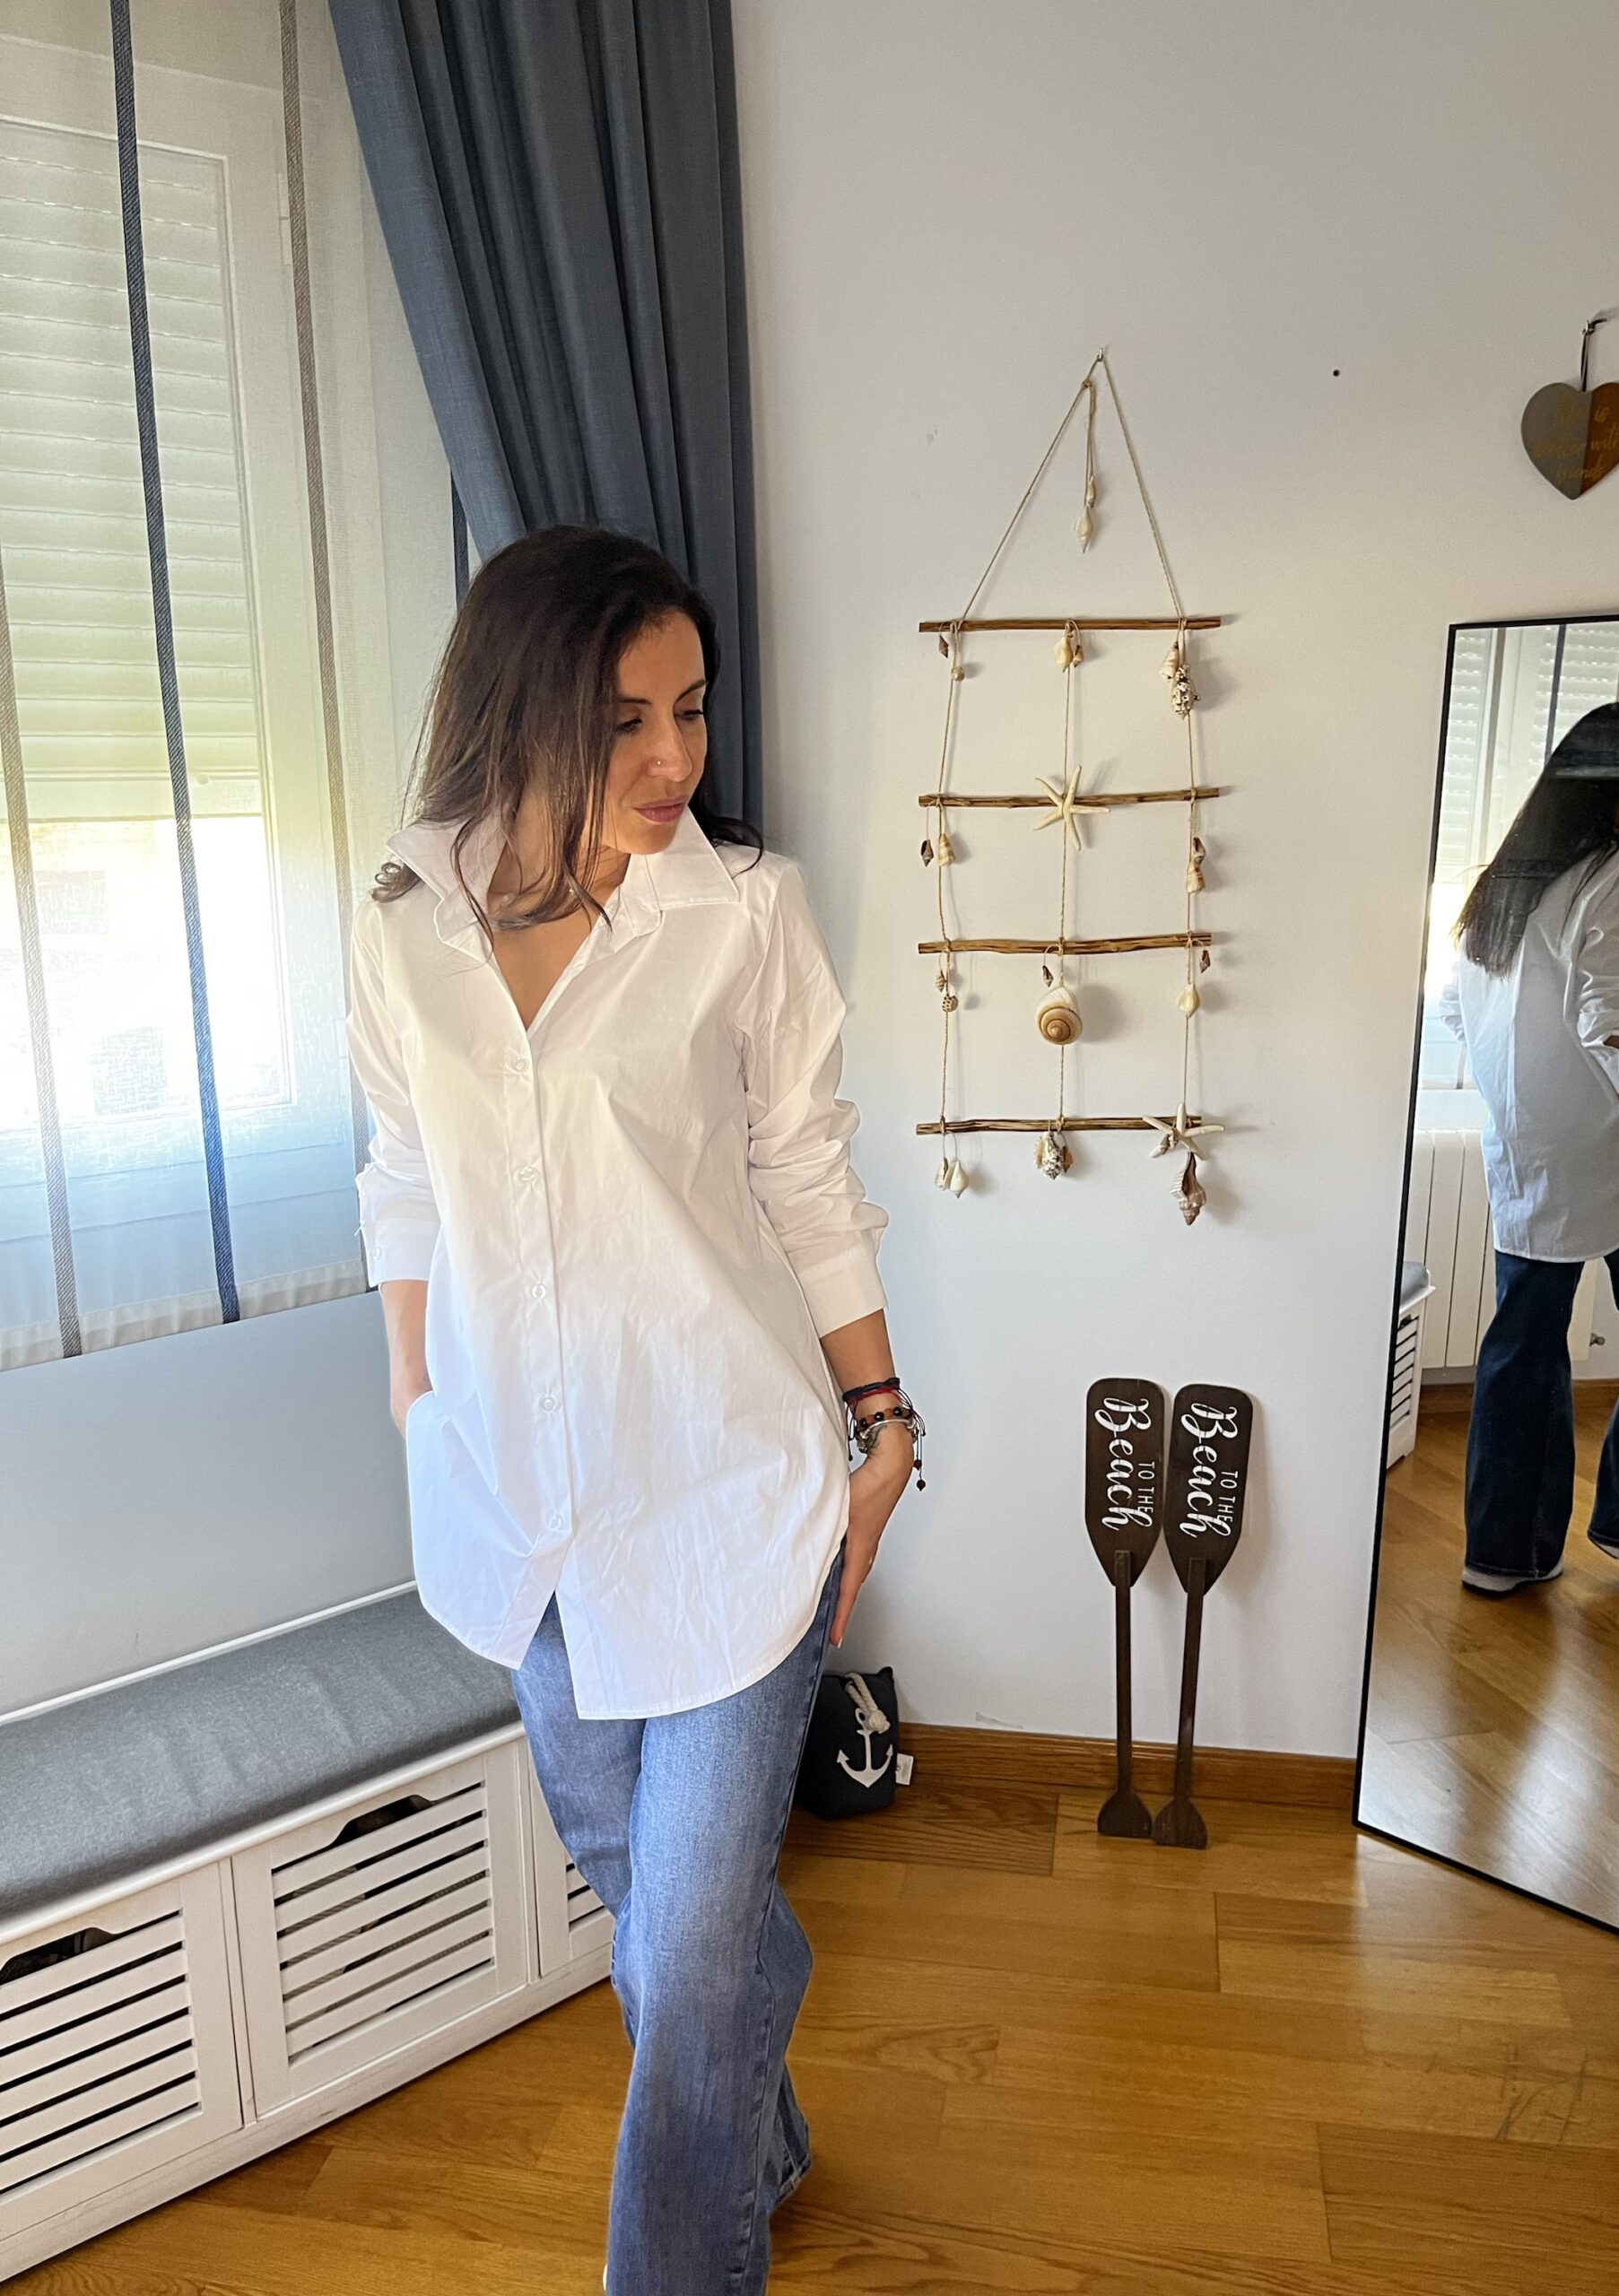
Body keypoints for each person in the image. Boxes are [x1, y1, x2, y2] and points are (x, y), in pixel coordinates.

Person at [344, 525, 918, 2293]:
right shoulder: (404, 913)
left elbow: (805, 1173)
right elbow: (401, 1170)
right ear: (520, 710)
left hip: (733, 1491)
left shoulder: (742, 913)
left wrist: (885, 1417)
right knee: (672, 1922)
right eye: (625, 720)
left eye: (692, 709)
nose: (677, 757)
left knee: (682, 1950)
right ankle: (767, 2120)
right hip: (521, 1515)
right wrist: (414, 1388)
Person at [1439, 700, 1619, 1598]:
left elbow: (1456, 1012)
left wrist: (1526, 1098)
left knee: (1524, 1341)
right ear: (1603, 773)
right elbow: (1611, 1025)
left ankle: (1504, 1553)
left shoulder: (1507, 881)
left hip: (1528, 1148)